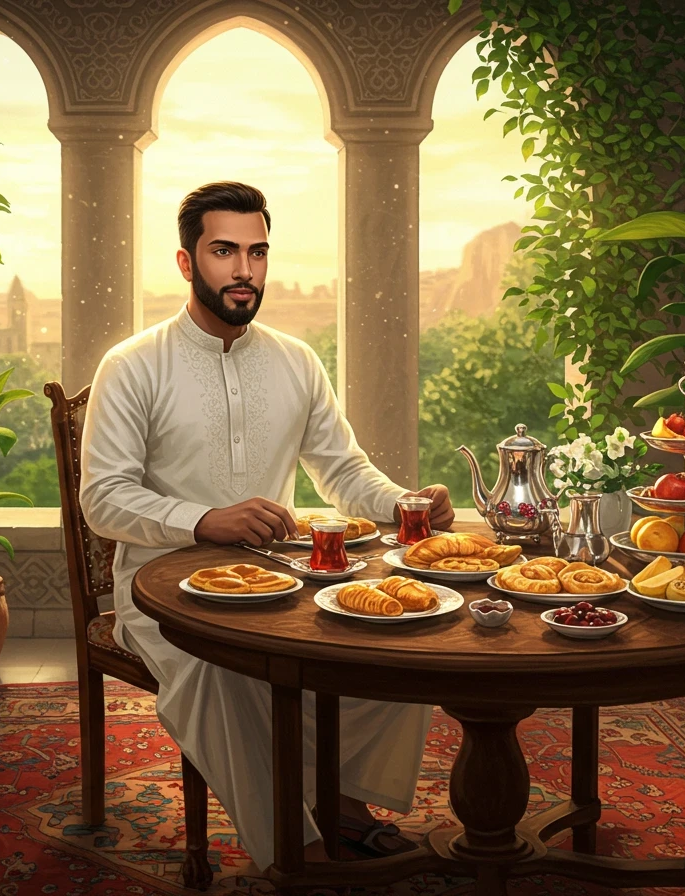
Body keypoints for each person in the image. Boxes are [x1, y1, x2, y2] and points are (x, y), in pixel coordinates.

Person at [79, 181, 456, 871]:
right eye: (224, 251)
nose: (244, 270)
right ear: (187, 262)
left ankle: (345, 805)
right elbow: (102, 499)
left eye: (256, 252)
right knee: (222, 673)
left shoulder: (295, 360)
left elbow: (344, 471)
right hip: (160, 594)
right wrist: (203, 521)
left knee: (402, 640)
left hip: (279, 583)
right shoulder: (131, 365)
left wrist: (408, 504)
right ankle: (296, 851)